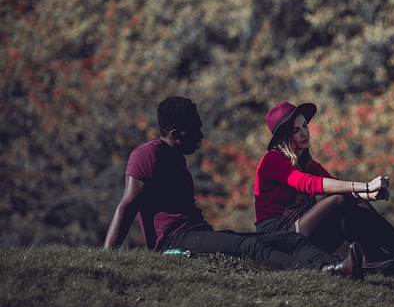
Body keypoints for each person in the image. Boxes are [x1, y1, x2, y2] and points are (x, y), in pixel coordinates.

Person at [104, 96, 364, 279]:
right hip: (175, 240)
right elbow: (127, 206)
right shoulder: (147, 155)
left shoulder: (178, 161)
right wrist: (106, 260)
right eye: (195, 131)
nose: (201, 136)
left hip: (197, 233)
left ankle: (339, 266)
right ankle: (324, 272)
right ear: (175, 134)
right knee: (246, 247)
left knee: (288, 238)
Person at [254, 101, 394, 273]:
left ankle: (384, 258)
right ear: (283, 137)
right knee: (341, 200)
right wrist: (366, 186)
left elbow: (341, 190)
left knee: (351, 204)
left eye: (305, 126)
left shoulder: (307, 163)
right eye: (295, 130)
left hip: (304, 235)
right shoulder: (272, 160)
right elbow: (311, 185)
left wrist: (369, 193)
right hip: (280, 238)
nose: (304, 133)